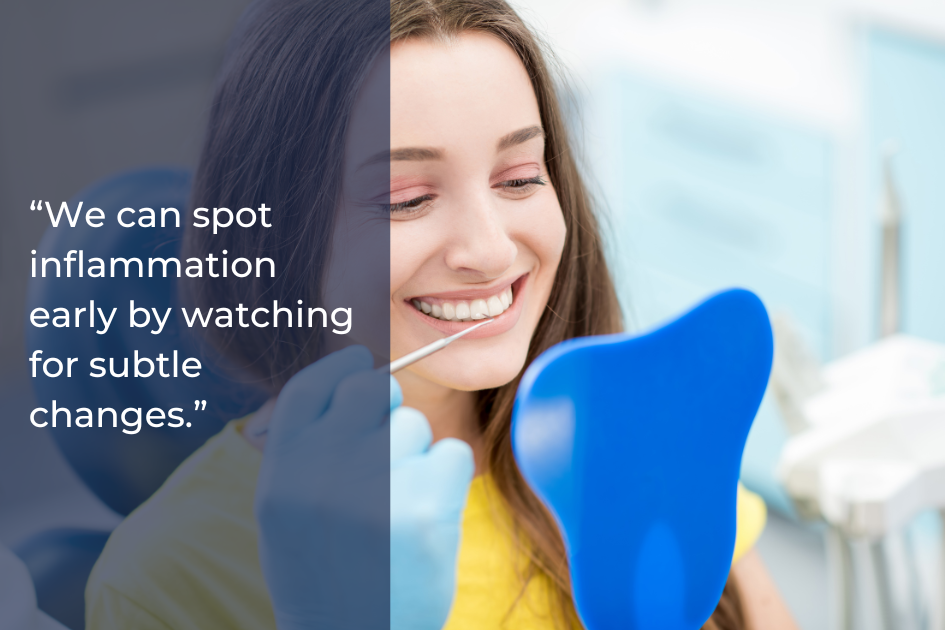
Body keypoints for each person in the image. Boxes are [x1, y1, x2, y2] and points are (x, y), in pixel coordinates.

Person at [86, 0, 799, 629]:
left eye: (519, 178)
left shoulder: (630, 431)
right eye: (405, 198)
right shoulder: (165, 580)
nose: (490, 250)